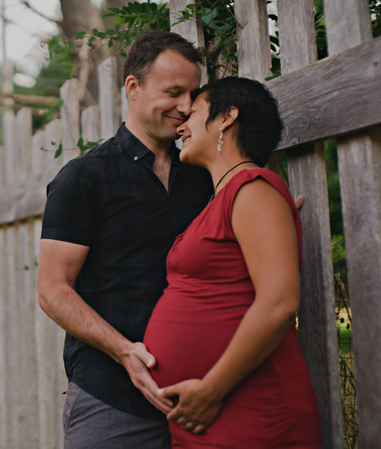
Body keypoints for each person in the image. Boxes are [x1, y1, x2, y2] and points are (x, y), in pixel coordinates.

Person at [37, 30, 212, 448]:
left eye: (192, 94)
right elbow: (52, 289)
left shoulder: (205, 176)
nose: (186, 107)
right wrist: (124, 352)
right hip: (112, 397)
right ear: (132, 87)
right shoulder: (84, 178)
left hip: (202, 397)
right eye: (173, 92)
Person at [143, 77, 322, 448]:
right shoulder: (232, 195)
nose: (181, 125)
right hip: (204, 410)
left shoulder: (253, 188)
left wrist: (211, 389)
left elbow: (279, 302)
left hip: (247, 404)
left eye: (192, 114)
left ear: (226, 117)